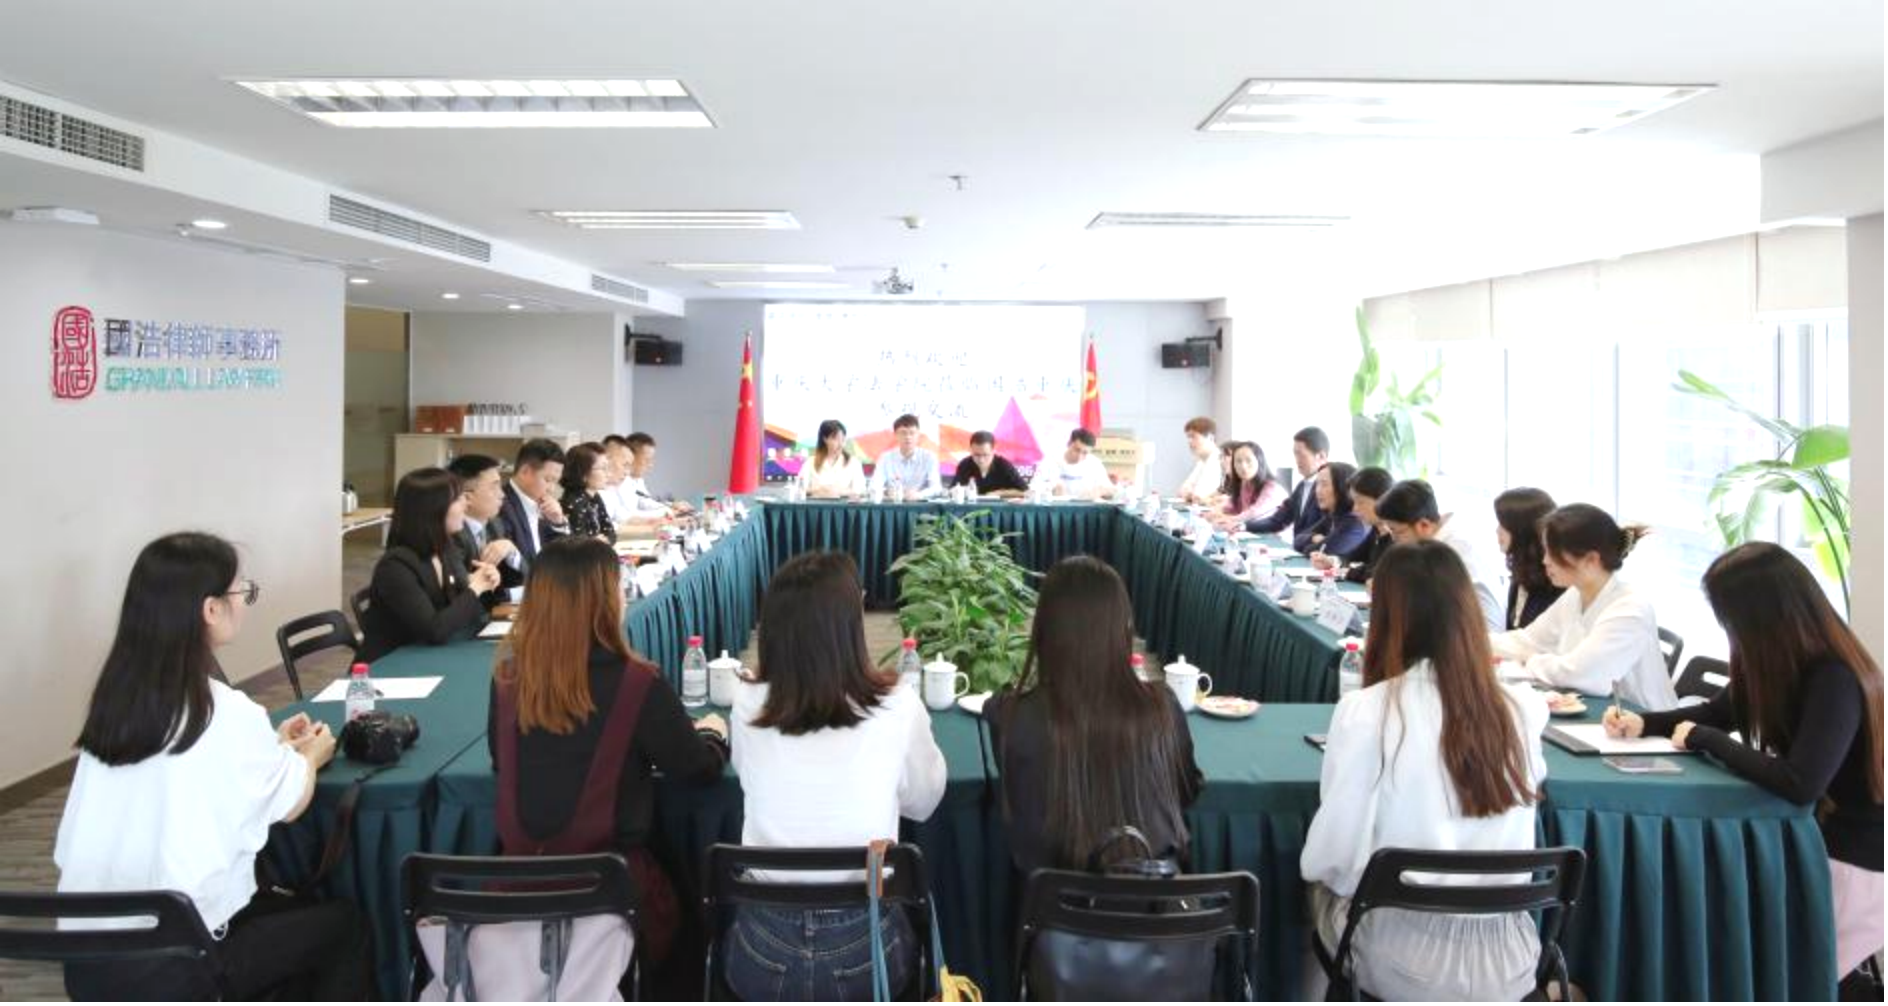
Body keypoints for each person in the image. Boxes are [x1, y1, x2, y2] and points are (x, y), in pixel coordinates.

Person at [56, 533, 372, 1001]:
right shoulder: (219, 708)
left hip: (89, 961)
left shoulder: (116, 705)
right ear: (210, 609)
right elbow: (291, 803)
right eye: (242, 592)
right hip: (177, 964)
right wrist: (310, 755)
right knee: (343, 925)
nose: (244, 602)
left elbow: (185, 769)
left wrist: (269, 746)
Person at [1606, 542, 1883, 988]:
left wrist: (1706, 740)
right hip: (1805, 839)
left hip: (1854, 857)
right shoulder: (1778, 663)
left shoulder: (1833, 678)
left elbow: (1801, 782)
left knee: (1787, 972)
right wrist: (1645, 724)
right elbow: (1718, 713)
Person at [1302, 540, 1550, 1002]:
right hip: (1510, 960)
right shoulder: (1523, 709)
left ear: (1388, 619)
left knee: (1313, 892)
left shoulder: (1367, 711)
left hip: (1403, 961)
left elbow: (1331, 860)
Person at [490, 537, 730, 968]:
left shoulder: (507, 679)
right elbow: (696, 769)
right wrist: (713, 735)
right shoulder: (637, 681)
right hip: (612, 896)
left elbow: (499, 761)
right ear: (604, 601)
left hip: (514, 898)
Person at [726, 552, 946, 1001]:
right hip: (867, 947)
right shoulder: (898, 704)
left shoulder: (747, 701)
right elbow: (923, 803)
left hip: (763, 948)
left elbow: (747, 775)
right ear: (852, 625)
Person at [987, 557, 1201, 876]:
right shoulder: (1162, 706)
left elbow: (1022, 802)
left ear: (1044, 631)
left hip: (1055, 901)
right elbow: (1186, 791)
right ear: (1123, 628)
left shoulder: (1009, 716)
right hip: (1158, 900)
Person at [1491, 504, 1676, 710]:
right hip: (1599, 714)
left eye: (1553, 553)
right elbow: (1529, 641)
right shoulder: (1576, 594)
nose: (1545, 561)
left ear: (1591, 560)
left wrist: (1530, 660)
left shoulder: (1630, 608)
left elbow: (1582, 674)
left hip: (1644, 721)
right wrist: (1475, 643)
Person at [358, 467, 499, 662]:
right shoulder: (395, 567)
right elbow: (435, 630)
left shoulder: (444, 549)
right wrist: (475, 588)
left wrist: (482, 581)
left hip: (428, 657)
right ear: (433, 510)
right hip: (389, 667)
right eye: (458, 499)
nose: (466, 504)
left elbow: (466, 611)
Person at [1374, 479, 1505, 631]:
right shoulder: (1438, 535)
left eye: (1396, 531)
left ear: (1423, 525)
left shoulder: (1454, 548)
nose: (1394, 540)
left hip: (1475, 636)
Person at [448, 453, 525, 604]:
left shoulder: (496, 524)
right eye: (494, 487)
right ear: (467, 497)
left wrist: (511, 550)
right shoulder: (453, 533)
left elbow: (525, 578)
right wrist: (510, 595)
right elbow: (466, 593)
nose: (502, 494)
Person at [1494, 488, 1565, 630]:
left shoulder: (1557, 582)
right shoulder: (1521, 573)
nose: (1497, 531)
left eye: (1503, 525)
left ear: (1522, 529)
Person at [501, 438, 572, 573]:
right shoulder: (501, 506)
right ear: (525, 471)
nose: (551, 489)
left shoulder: (542, 504)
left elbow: (563, 555)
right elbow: (511, 570)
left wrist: (557, 522)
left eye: (556, 482)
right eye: (548, 480)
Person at [1245, 427, 1330, 537]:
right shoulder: (1301, 487)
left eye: (1301, 455)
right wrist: (1244, 526)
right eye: (1295, 454)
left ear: (1321, 457)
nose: (1296, 460)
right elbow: (1278, 521)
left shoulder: (1331, 489)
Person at [1314, 466, 1393, 584]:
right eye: (1354, 502)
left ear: (1382, 500)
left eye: (1361, 502)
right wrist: (1333, 561)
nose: (1355, 509)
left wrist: (1345, 572)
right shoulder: (1376, 530)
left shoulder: (1397, 535)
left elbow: (1375, 573)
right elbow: (1352, 556)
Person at [1299, 462, 1372, 559]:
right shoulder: (1333, 516)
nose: (1318, 491)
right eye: (1317, 484)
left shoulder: (1354, 523)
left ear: (1342, 487)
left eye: (1324, 484)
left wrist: (1310, 544)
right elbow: (1298, 539)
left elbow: (1311, 551)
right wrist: (1313, 538)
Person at [1209, 441, 1287, 531]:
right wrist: (1216, 513)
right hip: (1254, 532)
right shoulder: (1244, 483)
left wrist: (1228, 519)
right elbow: (1233, 506)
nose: (1243, 466)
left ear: (1259, 461)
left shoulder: (1272, 487)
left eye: (1248, 460)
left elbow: (1255, 513)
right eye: (1238, 461)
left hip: (1277, 536)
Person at [868, 414, 942, 499]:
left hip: (920, 503)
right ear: (895, 435)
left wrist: (919, 495)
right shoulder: (885, 458)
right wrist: (886, 492)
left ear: (918, 435)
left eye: (912, 433)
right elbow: (874, 486)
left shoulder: (929, 457)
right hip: (893, 503)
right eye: (903, 433)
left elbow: (936, 488)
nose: (908, 437)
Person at [1030, 427, 1115, 500]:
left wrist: (1100, 491)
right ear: (1069, 443)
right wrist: (1049, 490)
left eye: (1085, 453)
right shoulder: (1050, 461)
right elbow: (1032, 490)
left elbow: (1111, 491)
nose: (1079, 457)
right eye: (1077, 450)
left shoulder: (1094, 463)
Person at [620, 432, 693, 517]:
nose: (651, 465)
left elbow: (646, 502)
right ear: (631, 457)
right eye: (647, 460)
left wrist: (672, 505)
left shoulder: (637, 479)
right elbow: (629, 516)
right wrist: (667, 511)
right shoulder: (620, 481)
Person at [560, 442, 617, 544]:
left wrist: (604, 541)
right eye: (603, 468)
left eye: (608, 468)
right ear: (583, 474)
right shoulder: (572, 502)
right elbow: (580, 544)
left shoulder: (595, 496)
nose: (608, 474)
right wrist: (596, 542)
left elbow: (610, 532)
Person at [798, 419, 869, 498]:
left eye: (843, 439)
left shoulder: (853, 463)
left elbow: (860, 490)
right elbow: (799, 489)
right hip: (815, 505)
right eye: (836, 439)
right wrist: (819, 490)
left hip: (843, 505)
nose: (841, 444)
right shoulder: (810, 462)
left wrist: (839, 492)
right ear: (825, 439)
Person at [952, 430, 1029, 497]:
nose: (981, 460)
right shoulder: (964, 464)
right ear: (971, 450)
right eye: (976, 455)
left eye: (985, 455)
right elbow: (953, 489)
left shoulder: (1004, 465)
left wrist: (999, 493)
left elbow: (1025, 491)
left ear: (994, 451)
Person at [1176, 416, 1224, 503]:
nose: (1189, 441)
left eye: (1193, 436)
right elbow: (1182, 492)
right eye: (1188, 437)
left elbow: (1199, 496)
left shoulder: (1218, 460)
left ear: (1210, 438)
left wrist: (1191, 494)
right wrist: (1190, 494)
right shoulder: (1202, 461)